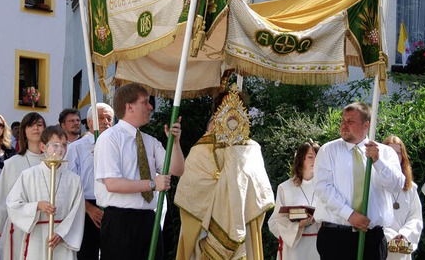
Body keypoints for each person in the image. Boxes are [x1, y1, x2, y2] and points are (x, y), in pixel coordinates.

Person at [175, 86, 274, 260]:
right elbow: (190, 188)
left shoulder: (251, 149)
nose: (231, 111)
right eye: (226, 106)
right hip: (206, 226)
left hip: (242, 220)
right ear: (217, 113)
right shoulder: (201, 148)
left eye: (236, 106)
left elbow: (259, 191)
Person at [94, 83, 184, 260]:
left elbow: (177, 169)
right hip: (121, 222)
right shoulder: (109, 138)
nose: (151, 107)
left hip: (148, 220)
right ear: (129, 106)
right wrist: (151, 184)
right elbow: (112, 183)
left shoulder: (150, 141)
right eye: (145, 102)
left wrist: (175, 143)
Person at [313, 102, 404, 260]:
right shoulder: (328, 151)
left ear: (366, 125)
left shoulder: (385, 153)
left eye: (350, 121)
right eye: (343, 121)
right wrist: (349, 215)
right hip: (335, 237)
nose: (344, 125)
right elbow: (323, 188)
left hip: (371, 239)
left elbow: (397, 185)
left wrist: (377, 161)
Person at [7, 126, 85, 260]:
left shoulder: (74, 179)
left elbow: (77, 212)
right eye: (55, 145)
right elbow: (12, 204)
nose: (60, 149)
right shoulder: (28, 175)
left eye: (64, 145)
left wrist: (62, 233)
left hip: (62, 239)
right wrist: (37, 206)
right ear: (43, 147)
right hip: (37, 236)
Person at [0, 112, 46, 260]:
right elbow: (2, 195)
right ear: (23, 131)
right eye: (31, 125)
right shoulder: (12, 163)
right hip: (19, 225)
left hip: (44, 224)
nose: (35, 128)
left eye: (39, 125)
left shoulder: (52, 162)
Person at [66, 103, 114, 260]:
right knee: (88, 254)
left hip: (114, 206)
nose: (106, 122)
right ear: (90, 121)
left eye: (109, 118)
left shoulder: (118, 146)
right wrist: (88, 208)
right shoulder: (76, 148)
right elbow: (70, 184)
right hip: (86, 207)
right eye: (101, 117)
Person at [268, 140, 321, 260]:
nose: (315, 160)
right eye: (310, 157)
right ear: (301, 159)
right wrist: (298, 226)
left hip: (317, 244)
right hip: (294, 247)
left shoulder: (324, 187)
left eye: (318, 157)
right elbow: (276, 221)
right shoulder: (285, 188)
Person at [381, 135, 423, 260]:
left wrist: (403, 235)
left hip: (402, 250)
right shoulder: (374, 184)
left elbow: (415, 217)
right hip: (380, 245)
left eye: (398, 153)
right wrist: (390, 236)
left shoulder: (410, 188)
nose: (394, 156)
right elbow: (371, 216)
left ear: (402, 157)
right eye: (390, 152)